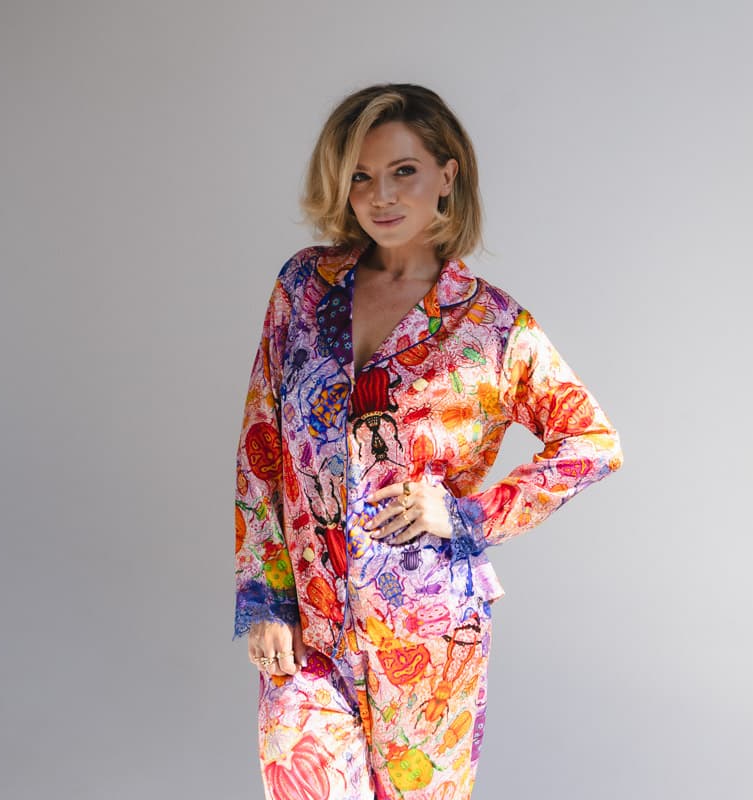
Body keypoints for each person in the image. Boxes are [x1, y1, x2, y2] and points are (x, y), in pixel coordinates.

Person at [232, 82, 623, 800]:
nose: (379, 196)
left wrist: (469, 516)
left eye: (403, 171)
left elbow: (591, 441)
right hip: (309, 626)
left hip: (430, 633)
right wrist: (265, 597)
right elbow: (261, 443)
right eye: (360, 176)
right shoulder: (305, 287)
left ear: (448, 174)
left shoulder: (493, 327)